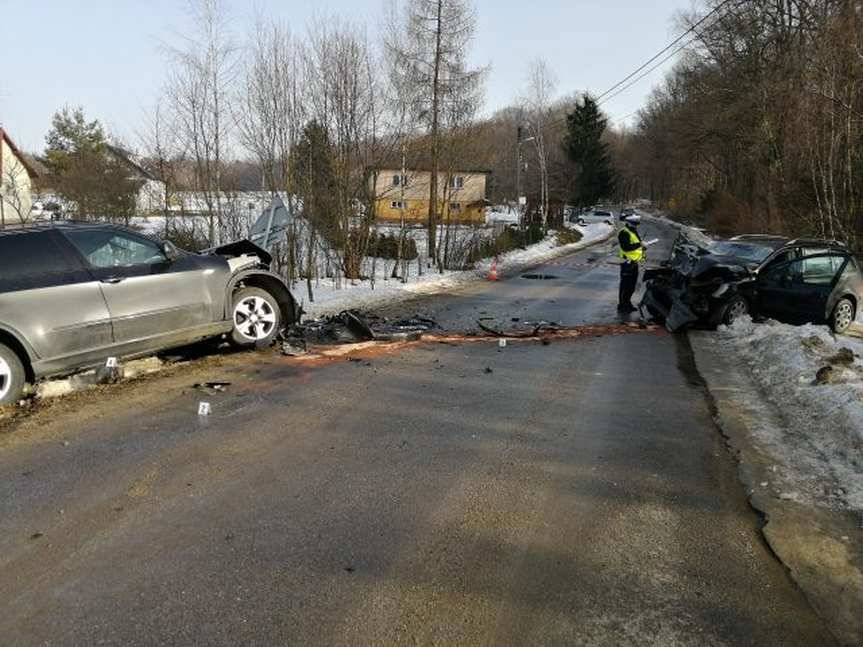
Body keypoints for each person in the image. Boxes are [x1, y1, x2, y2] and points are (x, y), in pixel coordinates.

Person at [617, 214, 645, 312]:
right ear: (629, 223)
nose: (636, 226)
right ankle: (622, 305)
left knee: (631, 286)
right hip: (627, 263)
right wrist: (639, 245)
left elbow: (635, 245)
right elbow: (626, 247)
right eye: (635, 224)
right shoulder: (624, 232)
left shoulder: (633, 231)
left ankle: (627, 303)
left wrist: (642, 246)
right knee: (625, 285)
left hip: (634, 262)